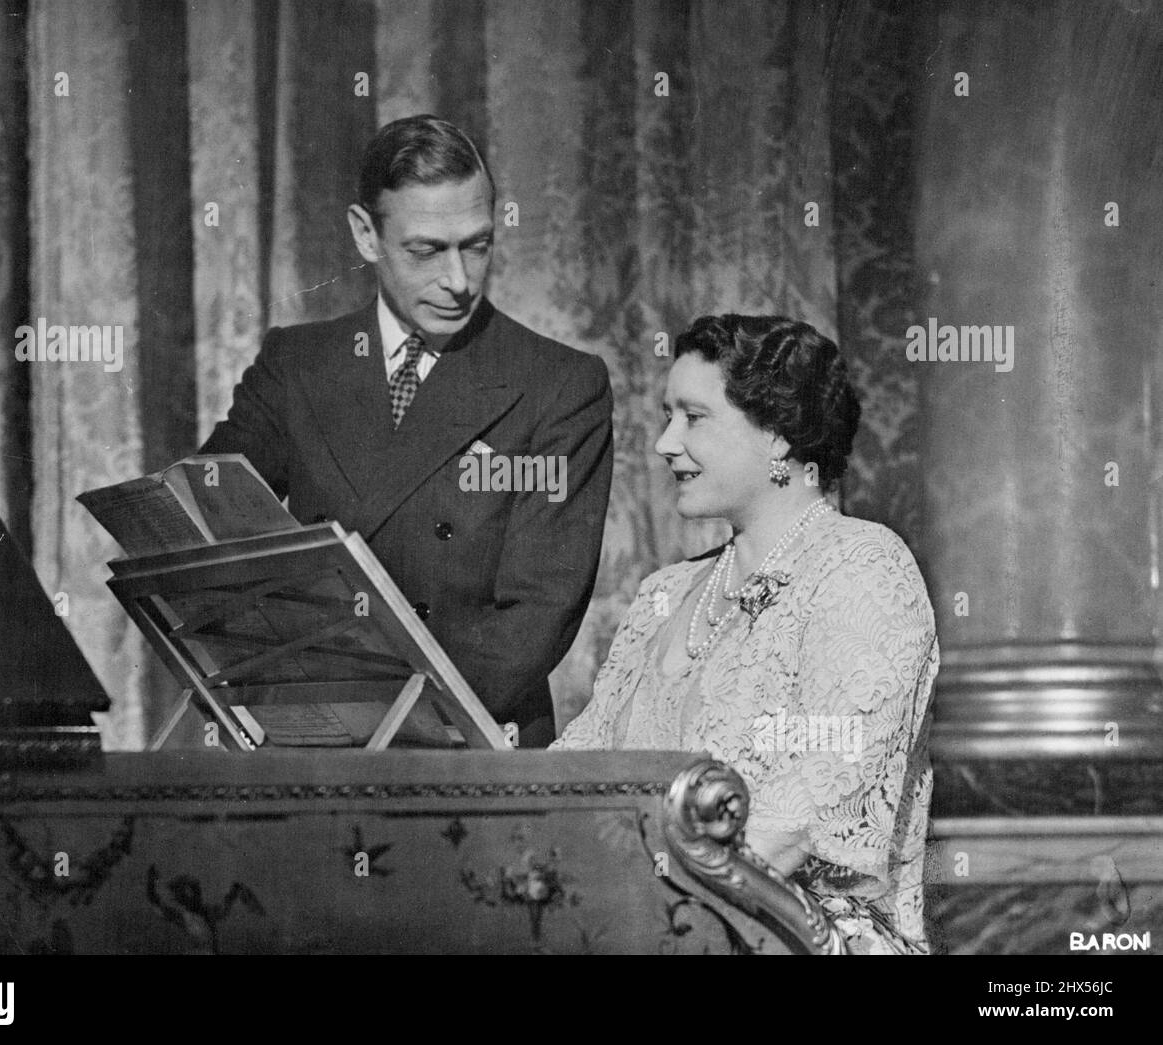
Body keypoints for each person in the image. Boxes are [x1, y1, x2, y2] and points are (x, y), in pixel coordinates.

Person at [200, 115, 613, 748]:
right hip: (305, 740)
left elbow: (537, 614)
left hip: (463, 744)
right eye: (426, 250)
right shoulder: (297, 364)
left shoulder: (559, 385)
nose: (458, 281)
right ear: (366, 235)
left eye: (476, 245)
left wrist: (385, 724)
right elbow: (206, 520)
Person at [552, 314, 938, 954]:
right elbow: (582, 771)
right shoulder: (664, 594)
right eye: (668, 415)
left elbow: (814, 799)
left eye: (694, 417)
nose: (666, 443)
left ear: (779, 437)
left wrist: (648, 899)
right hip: (649, 925)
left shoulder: (863, 567)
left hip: (796, 935)